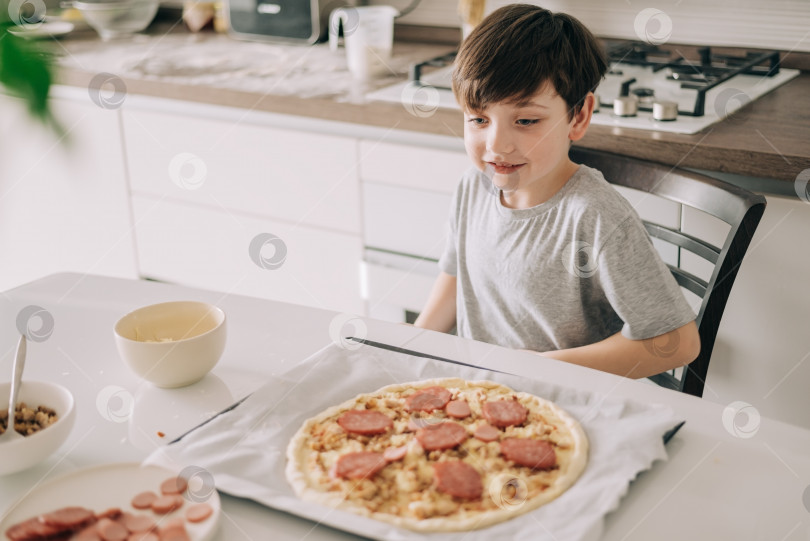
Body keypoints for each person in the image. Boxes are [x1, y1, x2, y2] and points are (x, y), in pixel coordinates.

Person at [413, 4, 700, 379]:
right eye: (479, 119)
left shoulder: (595, 215)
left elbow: (678, 342)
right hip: (481, 396)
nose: (496, 145)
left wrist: (536, 369)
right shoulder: (473, 186)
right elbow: (455, 279)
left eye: (526, 120)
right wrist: (416, 344)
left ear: (578, 116)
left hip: (563, 406)